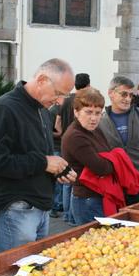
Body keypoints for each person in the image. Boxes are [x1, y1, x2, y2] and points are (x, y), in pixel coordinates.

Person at [0, 59, 77, 253]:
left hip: (39, 210)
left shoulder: (41, 110)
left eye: (64, 96)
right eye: (58, 93)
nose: (60, 101)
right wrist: (43, 163)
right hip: (14, 210)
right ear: (41, 80)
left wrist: (59, 170)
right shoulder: (4, 108)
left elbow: (37, 154)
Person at [99, 76, 139, 205]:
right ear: (111, 93)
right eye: (123, 94)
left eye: (130, 95)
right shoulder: (100, 121)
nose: (128, 99)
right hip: (112, 186)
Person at [61, 88, 113, 225]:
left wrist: (111, 159)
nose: (94, 118)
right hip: (87, 199)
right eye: (88, 112)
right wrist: (115, 161)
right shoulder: (75, 136)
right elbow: (102, 168)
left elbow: (108, 155)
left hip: (98, 195)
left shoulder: (94, 130)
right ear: (76, 112)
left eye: (98, 113)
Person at [56, 73, 91, 226]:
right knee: (76, 180)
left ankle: (66, 214)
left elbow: (57, 123)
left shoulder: (66, 100)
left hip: (65, 142)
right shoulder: (83, 101)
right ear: (88, 85)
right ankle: (72, 215)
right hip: (78, 142)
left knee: (66, 178)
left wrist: (63, 133)